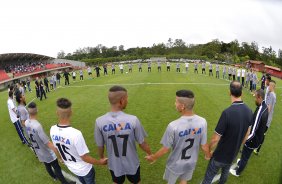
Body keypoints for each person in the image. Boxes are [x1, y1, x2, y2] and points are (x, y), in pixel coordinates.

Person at [145, 90, 210, 184]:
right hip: (191, 162)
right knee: (184, 181)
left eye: (176, 101)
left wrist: (154, 157)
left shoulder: (173, 126)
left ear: (182, 106)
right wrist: (208, 155)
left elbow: (165, 149)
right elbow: (204, 145)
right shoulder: (202, 121)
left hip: (175, 164)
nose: (174, 104)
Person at [95, 86, 152, 184]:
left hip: (114, 164)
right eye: (127, 98)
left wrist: (101, 158)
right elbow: (142, 143)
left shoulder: (99, 121)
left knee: (116, 182)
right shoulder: (133, 119)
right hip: (132, 163)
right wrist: (150, 154)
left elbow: (100, 145)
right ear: (121, 101)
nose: (127, 101)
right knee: (136, 181)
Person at [202, 81, 253, 184]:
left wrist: (208, 151)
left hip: (220, 155)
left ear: (229, 92)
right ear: (241, 93)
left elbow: (215, 138)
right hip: (233, 154)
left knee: (208, 178)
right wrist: (238, 146)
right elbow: (247, 133)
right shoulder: (249, 111)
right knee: (224, 175)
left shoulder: (227, 113)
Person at [50, 98, 107, 184]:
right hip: (85, 170)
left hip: (72, 168)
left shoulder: (52, 129)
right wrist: (100, 162)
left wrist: (60, 158)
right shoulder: (76, 134)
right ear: (71, 112)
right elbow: (85, 157)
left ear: (56, 112)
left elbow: (56, 148)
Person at [25, 102, 72, 184]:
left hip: (38, 151)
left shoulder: (26, 122)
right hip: (47, 152)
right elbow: (48, 143)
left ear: (28, 112)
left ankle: (54, 177)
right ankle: (65, 183)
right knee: (56, 167)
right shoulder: (37, 126)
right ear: (37, 110)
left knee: (47, 165)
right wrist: (59, 156)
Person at [229, 89, 268, 177]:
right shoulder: (264, 106)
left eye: (256, 98)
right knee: (245, 153)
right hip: (257, 138)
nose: (254, 99)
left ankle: (237, 172)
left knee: (246, 155)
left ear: (260, 97)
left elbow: (253, 131)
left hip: (253, 140)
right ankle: (241, 161)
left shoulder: (261, 111)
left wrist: (244, 140)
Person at [255, 80, 276, 154]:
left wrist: (262, 116)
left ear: (273, 86)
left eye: (270, 85)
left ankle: (257, 148)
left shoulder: (271, 95)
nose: (268, 86)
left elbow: (269, 108)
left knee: (261, 133)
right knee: (262, 133)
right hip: (267, 119)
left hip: (266, 120)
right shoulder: (272, 94)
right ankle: (257, 149)